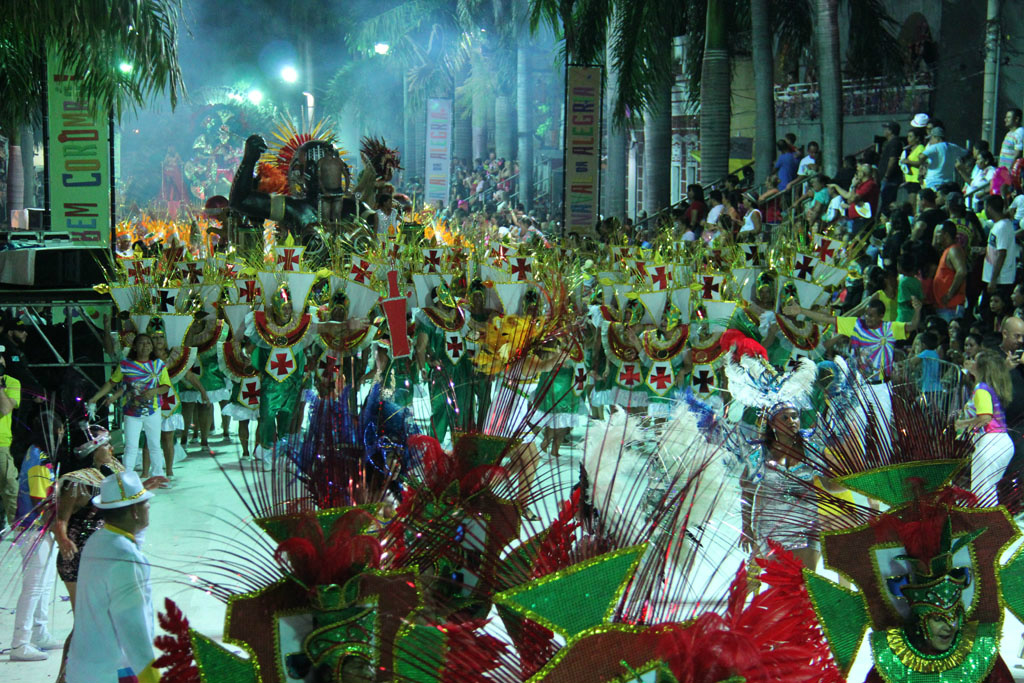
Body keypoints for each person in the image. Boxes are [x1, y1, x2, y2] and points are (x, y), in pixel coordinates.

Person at [65, 471, 160, 683]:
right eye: (145, 502)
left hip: (83, 667)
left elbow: (131, 539)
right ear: (135, 511)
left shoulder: (97, 541)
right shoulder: (125, 558)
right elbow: (132, 625)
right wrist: (151, 676)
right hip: (112, 671)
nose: (149, 507)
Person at [8, 410, 62, 661]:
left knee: (45, 582)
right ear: (55, 432)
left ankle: (39, 632)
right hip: (33, 530)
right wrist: (61, 529)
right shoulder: (40, 460)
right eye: (62, 429)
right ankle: (20, 643)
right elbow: (42, 503)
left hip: (38, 530)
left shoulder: (37, 453)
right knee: (34, 587)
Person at [87, 333, 171, 477]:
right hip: (132, 413)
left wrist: (154, 391)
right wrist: (95, 398)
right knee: (131, 447)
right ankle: (127, 480)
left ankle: (159, 476)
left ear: (152, 347)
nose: (145, 346)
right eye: (141, 343)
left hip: (153, 411)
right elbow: (112, 383)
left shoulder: (158, 365)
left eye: (148, 343)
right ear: (135, 347)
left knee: (155, 445)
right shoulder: (125, 365)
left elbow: (166, 386)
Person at [785, 297, 922, 381]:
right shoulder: (856, 325)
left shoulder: (890, 329)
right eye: (867, 314)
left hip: (881, 386)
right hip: (859, 383)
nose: (868, 318)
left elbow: (913, 325)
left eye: (872, 316)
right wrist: (801, 310)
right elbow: (826, 318)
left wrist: (917, 310)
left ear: (881, 316)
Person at [956, 349, 1014, 501]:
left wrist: (962, 423)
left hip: (991, 442)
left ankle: (987, 524)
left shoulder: (981, 389)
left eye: (974, 360)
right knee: (986, 493)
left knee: (981, 494)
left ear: (981, 367)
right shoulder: (990, 387)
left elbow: (985, 418)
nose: (971, 362)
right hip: (1000, 442)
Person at [981, 194, 1018, 321]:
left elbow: (1002, 254)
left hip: (1000, 280)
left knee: (993, 314)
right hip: (995, 278)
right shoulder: (999, 225)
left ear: (989, 208)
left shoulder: (1002, 227)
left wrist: (993, 280)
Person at [0, 345, 22, 533]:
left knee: (10, 487)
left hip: (1, 443)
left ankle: (17, 528)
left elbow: (5, 409)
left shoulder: (11, 382)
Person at [931, 221, 967, 321]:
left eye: (938, 233)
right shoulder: (947, 250)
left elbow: (962, 271)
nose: (936, 235)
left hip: (951, 307)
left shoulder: (953, 250)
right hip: (945, 307)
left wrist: (949, 294)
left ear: (945, 235)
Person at [878, 122, 904, 215]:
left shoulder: (895, 143)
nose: (884, 131)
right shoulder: (890, 142)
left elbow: (892, 160)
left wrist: (886, 175)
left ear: (891, 131)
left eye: (886, 129)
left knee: (886, 204)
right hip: (887, 179)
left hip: (890, 180)